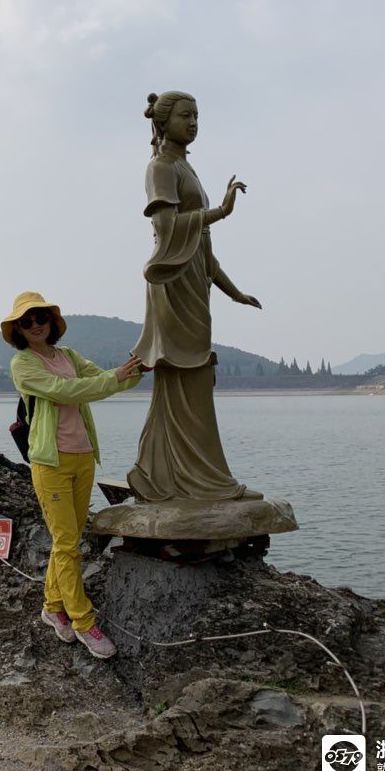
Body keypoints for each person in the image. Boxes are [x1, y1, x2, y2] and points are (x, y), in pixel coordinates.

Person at [128, 91, 263, 502]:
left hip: (194, 281)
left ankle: (168, 476)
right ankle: (200, 481)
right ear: (163, 121)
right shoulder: (160, 167)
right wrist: (220, 212)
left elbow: (203, 249)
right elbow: (169, 228)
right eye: (186, 115)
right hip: (171, 279)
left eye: (197, 116)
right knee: (187, 375)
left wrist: (234, 291)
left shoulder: (187, 167)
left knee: (197, 377)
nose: (193, 123)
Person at [3, 291, 143, 659]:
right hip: (50, 463)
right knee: (67, 544)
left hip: (82, 458)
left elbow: (104, 381)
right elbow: (67, 391)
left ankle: (52, 606)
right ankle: (84, 623)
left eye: (40, 317)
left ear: (52, 321)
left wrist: (136, 371)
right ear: (18, 328)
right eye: (26, 321)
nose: (35, 325)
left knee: (68, 540)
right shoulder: (23, 364)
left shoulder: (68, 357)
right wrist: (115, 377)